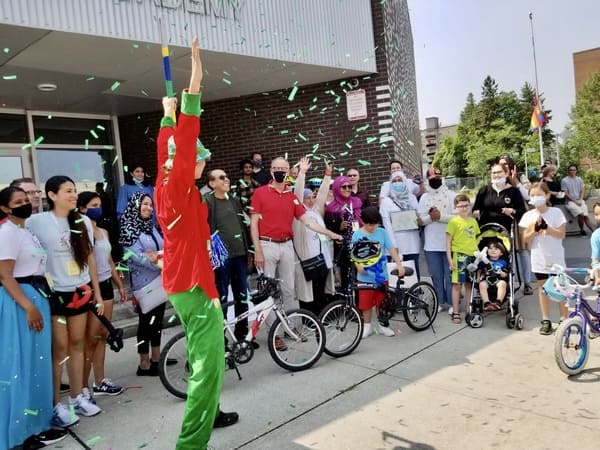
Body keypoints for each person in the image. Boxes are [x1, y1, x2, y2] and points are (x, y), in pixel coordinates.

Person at [154, 38, 237, 449]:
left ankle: (209, 415)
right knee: (209, 366)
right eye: (200, 159)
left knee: (205, 362)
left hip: (181, 279)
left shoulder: (164, 181)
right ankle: (191, 444)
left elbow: (167, 145)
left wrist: (166, 118)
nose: (203, 162)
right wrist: (195, 82)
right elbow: (185, 141)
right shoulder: (179, 183)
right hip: (192, 283)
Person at [26, 175, 103, 426]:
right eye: (68, 191)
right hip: (54, 292)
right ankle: (54, 404)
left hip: (79, 291)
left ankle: (76, 396)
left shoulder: (83, 222)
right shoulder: (36, 221)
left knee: (77, 344)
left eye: (75, 190)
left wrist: (96, 291)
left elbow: (90, 258)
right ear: (52, 195)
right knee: (59, 348)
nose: (73, 195)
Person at [0, 186, 68, 450]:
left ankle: (37, 424)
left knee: (36, 365)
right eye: (18, 201)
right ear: (6, 208)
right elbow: (5, 275)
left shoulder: (25, 231)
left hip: (36, 293)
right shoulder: (7, 232)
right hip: (21, 300)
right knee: (21, 366)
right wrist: (28, 306)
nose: (25, 203)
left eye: (26, 199)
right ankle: (20, 433)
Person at [250, 157, 342, 335]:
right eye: (276, 168)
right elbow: (254, 223)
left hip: (287, 246)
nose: (279, 171)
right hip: (266, 244)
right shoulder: (260, 193)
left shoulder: (292, 197)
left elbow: (308, 221)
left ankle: (292, 328)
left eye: (283, 169)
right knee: (267, 290)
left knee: (289, 289)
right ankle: (274, 334)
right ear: (270, 171)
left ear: (287, 172)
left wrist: (330, 233)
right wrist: (258, 251)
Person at [77, 191, 126, 398]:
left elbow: (108, 260)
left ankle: (100, 380)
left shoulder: (103, 232)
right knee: (91, 337)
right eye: (93, 204)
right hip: (90, 287)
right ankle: (82, 386)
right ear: (82, 208)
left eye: (99, 204)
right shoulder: (81, 231)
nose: (98, 208)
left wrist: (119, 284)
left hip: (106, 286)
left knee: (103, 335)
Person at [119, 192, 166, 376]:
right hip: (144, 282)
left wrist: (159, 259)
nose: (148, 208)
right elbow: (133, 255)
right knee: (146, 322)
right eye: (144, 204)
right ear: (135, 206)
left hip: (159, 279)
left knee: (158, 320)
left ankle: (157, 359)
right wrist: (156, 261)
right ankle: (144, 363)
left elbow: (160, 249)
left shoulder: (150, 227)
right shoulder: (129, 228)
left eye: (150, 204)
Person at [205, 169, 254, 345]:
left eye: (226, 176)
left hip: (239, 254)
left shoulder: (233, 200)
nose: (227, 179)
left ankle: (242, 336)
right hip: (221, 258)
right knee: (222, 297)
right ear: (212, 184)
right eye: (221, 177)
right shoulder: (208, 201)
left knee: (242, 296)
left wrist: (249, 250)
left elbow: (242, 226)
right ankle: (222, 340)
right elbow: (205, 229)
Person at [519, 182, 568, 335]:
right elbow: (525, 239)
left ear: (547, 195)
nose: (535, 198)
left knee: (561, 288)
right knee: (543, 288)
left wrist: (548, 228)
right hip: (539, 258)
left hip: (556, 258)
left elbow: (562, 234)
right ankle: (546, 319)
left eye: (539, 195)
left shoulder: (556, 213)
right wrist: (535, 230)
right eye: (532, 195)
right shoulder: (529, 216)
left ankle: (564, 319)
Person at [351, 206, 405, 338]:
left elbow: (391, 249)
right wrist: (358, 266)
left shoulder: (382, 232)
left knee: (382, 302)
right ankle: (367, 326)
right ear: (363, 221)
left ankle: (383, 325)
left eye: (375, 224)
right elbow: (354, 254)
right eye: (370, 225)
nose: (372, 228)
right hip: (364, 277)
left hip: (380, 275)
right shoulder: (357, 234)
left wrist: (399, 264)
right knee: (366, 303)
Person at [293, 159, 335, 315]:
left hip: (322, 257)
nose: (311, 200)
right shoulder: (297, 212)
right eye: (307, 198)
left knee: (320, 289)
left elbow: (323, 194)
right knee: (308, 291)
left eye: (312, 197)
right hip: (307, 258)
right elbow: (297, 192)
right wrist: (302, 173)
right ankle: (310, 317)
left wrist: (327, 175)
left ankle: (322, 315)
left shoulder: (316, 210)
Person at [418, 167, 456, 312]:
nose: (435, 181)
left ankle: (453, 302)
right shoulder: (424, 198)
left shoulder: (451, 195)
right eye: (432, 179)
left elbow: (457, 217)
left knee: (450, 274)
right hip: (431, 244)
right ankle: (440, 301)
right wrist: (430, 218)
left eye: (437, 178)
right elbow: (420, 219)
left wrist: (441, 217)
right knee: (436, 275)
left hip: (449, 242)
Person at [498, 155, 533, 296]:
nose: (503, 167)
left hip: (520, 219)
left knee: (523, 251)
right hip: (504, 220)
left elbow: (529, 196)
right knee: (504, 251)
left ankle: (527, 283)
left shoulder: (521, 178)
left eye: (505, 164)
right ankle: (506, 282)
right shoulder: (498, 179)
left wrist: (516, 182)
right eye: (501, 164)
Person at [380, 171, 421, 279]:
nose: (397, 183)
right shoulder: (386, 202)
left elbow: (419, 215)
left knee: (413, 276)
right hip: (395, 246)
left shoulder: (411, 198)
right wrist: (393, 245)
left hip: (412, 243)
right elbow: (387, 225)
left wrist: (418, 218)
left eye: (400, 180)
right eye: (394, 181)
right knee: (397, 278)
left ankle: (414, 295)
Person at [324, 176, 363, 291]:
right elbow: (327, 229)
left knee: (361, 278)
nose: (347, 189)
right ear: (336, 188)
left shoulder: (357, 202)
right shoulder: (331, 208)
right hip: (343, 248)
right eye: (343, 187)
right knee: (346, 279)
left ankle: (360, 306)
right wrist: (339, 227)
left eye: (349, 187)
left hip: (359, 243)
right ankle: (347, 306)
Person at [446, 194, 480, 324]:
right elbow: (448, 243)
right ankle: (455, 311)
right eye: (461, 206)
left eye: (467, 205)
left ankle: (468, 309)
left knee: (469, 284)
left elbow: (475, 240)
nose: (464, 208)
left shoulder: (473, 221)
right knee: (457, 285)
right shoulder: (453, 222)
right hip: (459, 256)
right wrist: (450, 259)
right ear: (455, 207)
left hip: (472, 256)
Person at [561, 164, 594, 236]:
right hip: (569, 202)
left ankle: (594, 232)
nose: (572, 171)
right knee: (581, 214)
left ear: (576, 171)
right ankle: (582, 230)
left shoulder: (579, 179)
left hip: (580, 200)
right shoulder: (564, 180)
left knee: (585, 216)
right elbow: (565, 193)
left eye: (574, 170)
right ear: (568, 171)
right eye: (571, 170)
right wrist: (575, 201)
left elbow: (582, 190)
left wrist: (581, 199)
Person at [478, 241, 510, 311]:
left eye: (496, 249)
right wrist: (478, 278)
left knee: (502, 284)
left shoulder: (503, 262)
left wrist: (502, 273)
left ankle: (498, 302)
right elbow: (479, 270)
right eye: (490, 248)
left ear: (501, 253)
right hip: (486, 279)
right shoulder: (484, 261)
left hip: (498, 279)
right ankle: (486, 303)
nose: (493, 250)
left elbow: (506, 273)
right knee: (482, 284)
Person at [590, 203, 600, 284]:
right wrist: (597, 277)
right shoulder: (596, 235)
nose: (599, 217)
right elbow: (595, 259)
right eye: (596, 214)